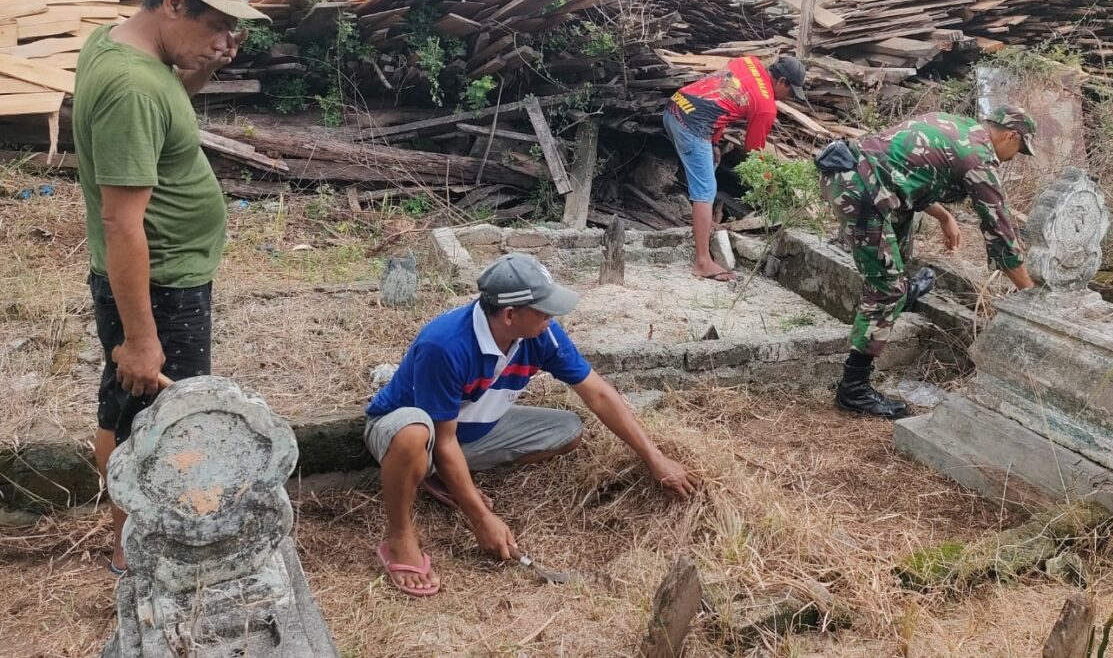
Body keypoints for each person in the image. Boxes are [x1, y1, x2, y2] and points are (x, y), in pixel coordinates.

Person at [73, 0, 267, 574]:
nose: (226, 40)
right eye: (218, 26)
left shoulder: (127, 51)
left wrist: (202, 67)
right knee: (163, 422)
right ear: (174, 3)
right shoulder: (132, 86)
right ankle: (140, 550)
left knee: (124, 409)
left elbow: (165, 109)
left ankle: (129, 543)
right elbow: (121, 221)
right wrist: (141, 337)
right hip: (158, 286)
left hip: (157, 279)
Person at [364, 253, 700, 596]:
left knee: (566, 431)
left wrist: (655, 458)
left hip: (468, 431)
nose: (551, 318)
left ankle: (439, 476)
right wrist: (480, 518)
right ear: (510, 315)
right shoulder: (445, 344)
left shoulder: (541, 335)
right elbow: (444, 440)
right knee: (415, 435)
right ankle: (399, 538)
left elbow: (598, 394)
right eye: (543, 311)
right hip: (408, 432)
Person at [816, 106, 1037, 420]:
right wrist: (1030, 294)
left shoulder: (955, 126)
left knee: (899, 233)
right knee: (885, 290)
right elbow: (1001, 235)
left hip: (855, 175)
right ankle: (854, 389)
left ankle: (902, 293)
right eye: (1019, 150)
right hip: (860, 190)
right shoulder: (978, 158)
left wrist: (944, 216)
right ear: (1011, 136)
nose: (1014, 158)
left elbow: (908, 172)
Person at [664, 55, 806, 282]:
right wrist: (767, 181)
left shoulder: (749, 62)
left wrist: (714, 142)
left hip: (675, 106)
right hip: (692, 125)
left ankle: (704, 227)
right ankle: (702, 262)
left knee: (708, 170)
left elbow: (722, 97)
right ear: (782, 81)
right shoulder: (766, 107)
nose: (788, 98)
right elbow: (753, 151)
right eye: (790, 92)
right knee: (705, 190)